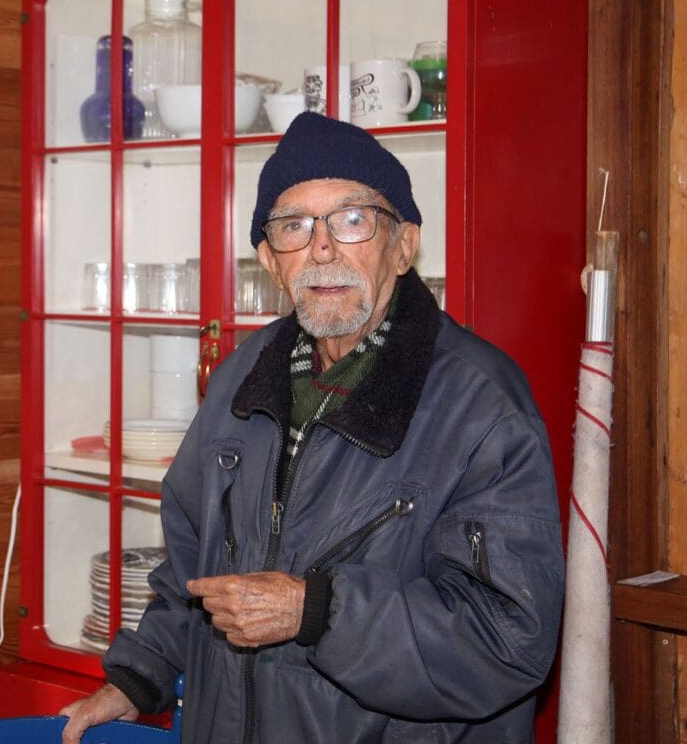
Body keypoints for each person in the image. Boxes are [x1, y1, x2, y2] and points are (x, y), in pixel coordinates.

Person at [60, 112, 564, 742]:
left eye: (352, 219)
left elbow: (509, 641)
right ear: (272, 263)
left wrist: (317, 612)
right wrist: (137, 680)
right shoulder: (244, 378)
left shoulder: (480, 406)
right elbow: (193, 569)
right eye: (294, 226)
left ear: (404, 245)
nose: (322, 247)